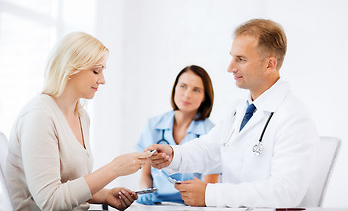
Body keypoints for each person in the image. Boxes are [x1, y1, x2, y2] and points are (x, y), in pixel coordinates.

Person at [146, 19, 319, 208]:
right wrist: (173, 155)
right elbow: (210, 149)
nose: (230, 68)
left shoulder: (294, 117)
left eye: (241, 59)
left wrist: (210, 194)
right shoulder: (239, 109)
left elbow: (285, 192)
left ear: (270, 64)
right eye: (232, 57)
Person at [5, 32, 151, 211]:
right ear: (70, 69)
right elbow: (50, 201)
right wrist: (115, 168)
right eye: (96, 71)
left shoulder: (81, 115)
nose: (103, 80)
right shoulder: (39, 116)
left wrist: (105, 195)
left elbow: (71, 185)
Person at [135, 65, 219, 205]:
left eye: (196, 90)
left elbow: (209, 186)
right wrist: (145, 190)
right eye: (183, 86)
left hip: (194, 206)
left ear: (205, 97)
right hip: (156, 204)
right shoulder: (153, 125)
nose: (187, 95)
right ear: (175, 88)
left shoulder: (212, 132)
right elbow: (146, 174)